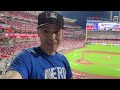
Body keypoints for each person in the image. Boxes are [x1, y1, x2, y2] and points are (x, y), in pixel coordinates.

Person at [2, 11, 73, 79]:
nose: (52, 37)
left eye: (57, 32)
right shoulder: (26, 58)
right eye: (46, 31)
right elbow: (13, 74)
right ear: (38, 32)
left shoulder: (63, 60)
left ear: (62, 34)